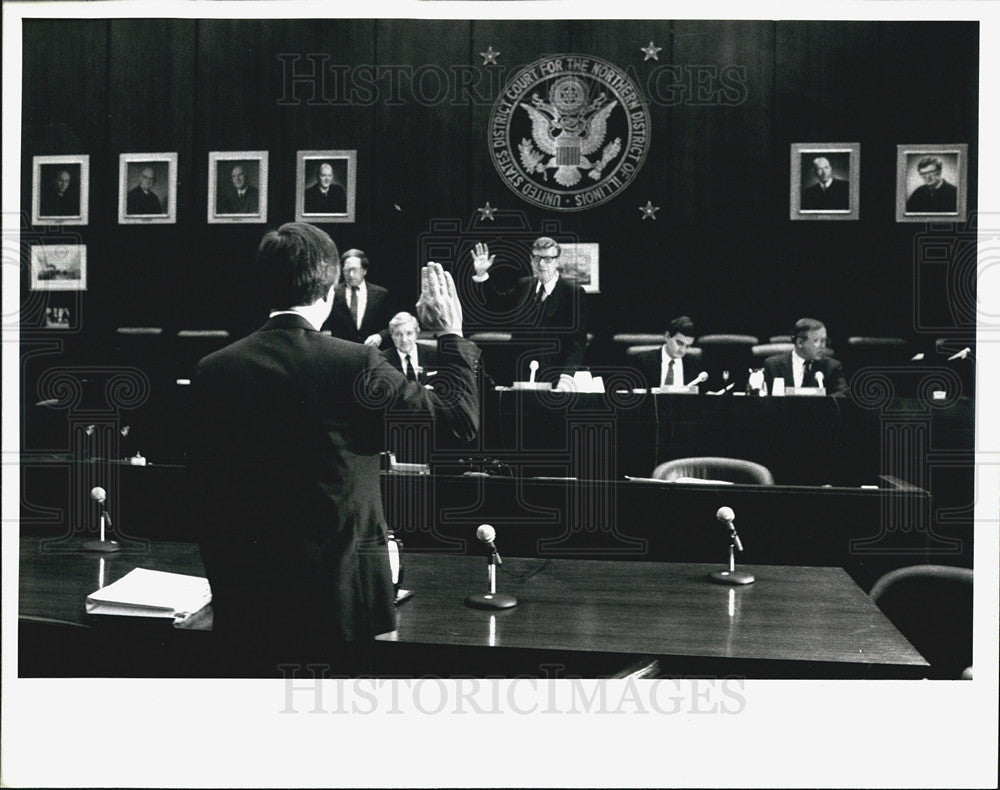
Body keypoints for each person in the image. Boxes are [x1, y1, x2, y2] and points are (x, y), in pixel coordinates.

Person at [188, 222, 480, 676]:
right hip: (339, 604)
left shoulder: (212, 370)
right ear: (330, 291)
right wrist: (451, 335)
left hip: (246, 601)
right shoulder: (355, 363)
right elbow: (459, 422)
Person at [469, 237, 588, 385]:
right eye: (537, 258)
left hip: (554, 377)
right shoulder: (524, 285)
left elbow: (577, 342)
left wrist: (567, 377)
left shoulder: (572, 292)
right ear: (531, 260)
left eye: (548, 259)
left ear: (557, 261)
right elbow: (496, 304)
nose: (541, 264)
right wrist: (482, 275)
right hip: (519, 374)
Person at [322, 248, 393, 346]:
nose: (351, 275)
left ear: (364, 271)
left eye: (354, 270)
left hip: (372, 352)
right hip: (343, 353)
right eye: (347, 270)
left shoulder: (381, 294)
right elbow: (324, 326)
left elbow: (392, 325)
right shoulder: (332, 292)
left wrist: (380, 336)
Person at [763, 317, 848, 396]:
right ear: (800, 343)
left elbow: (842, 395)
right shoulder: (773, 365)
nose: (822, 346)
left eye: (824, 340)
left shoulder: (832, 367)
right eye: (816, 341)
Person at [631, 316, 704, 390]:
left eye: (688, 346)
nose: (682, 350)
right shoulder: (642, 360)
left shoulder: (695, 363)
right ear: (667, 336)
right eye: (679, 343)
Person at [382, 311, 437, 383]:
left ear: (417, 333)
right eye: (398, 334)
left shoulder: (434, 354)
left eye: (409, 333)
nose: (404, 340)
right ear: (392, 336)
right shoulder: (383, 360)